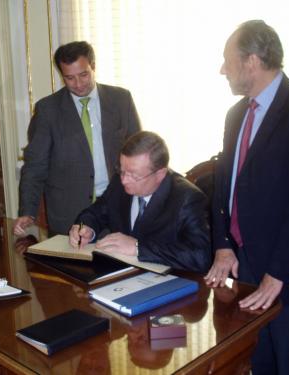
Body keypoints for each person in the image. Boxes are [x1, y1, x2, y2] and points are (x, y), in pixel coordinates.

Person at [205, 20, 289, 375]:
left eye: (228, 60)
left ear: (251, 61)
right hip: (247, 269)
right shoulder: (236, 114)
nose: (223, 69)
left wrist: (277, 274)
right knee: (259, 364)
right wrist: (222, 244)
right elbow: (225, 183)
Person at [14, 41, 141, 237]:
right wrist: (28, 212)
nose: (79, 84)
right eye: (70, 78)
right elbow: (35, 166)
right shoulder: (48, 110)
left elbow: (139, 152)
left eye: (84, 75)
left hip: (118, 205)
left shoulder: (121, 99)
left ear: (93, 67)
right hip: (69, 214)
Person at [69, 131, 211, 273]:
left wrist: (138, 248)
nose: (124, 180)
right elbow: (96, 212)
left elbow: (200, 256)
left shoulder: (187, 198)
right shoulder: (119, 183)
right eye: (122, 170)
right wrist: (86, 228)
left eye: (133, 175)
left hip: (166, 282)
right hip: (119, 276)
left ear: (160, 174)